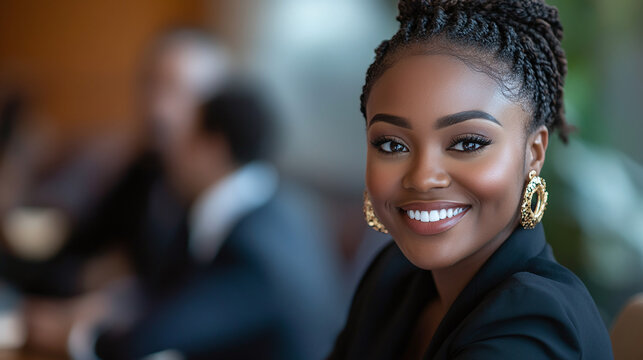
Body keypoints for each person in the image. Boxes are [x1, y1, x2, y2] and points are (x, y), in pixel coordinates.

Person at [328, 1, 613, 359]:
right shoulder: (394, 276)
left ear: (535, 153)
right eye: (392, 144)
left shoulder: (533, 328)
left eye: (467, 143)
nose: (422, 178)